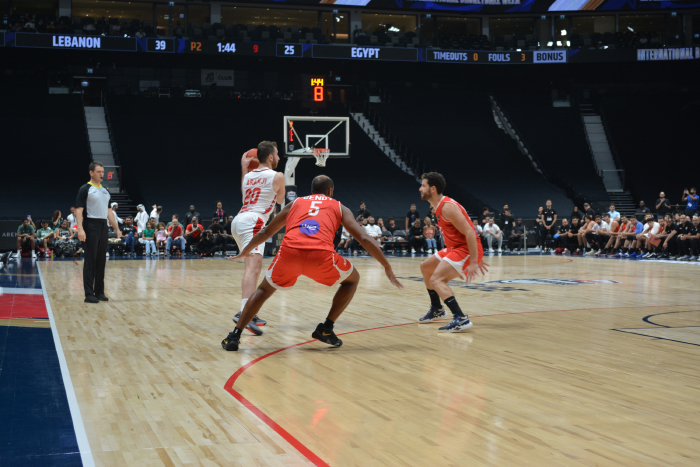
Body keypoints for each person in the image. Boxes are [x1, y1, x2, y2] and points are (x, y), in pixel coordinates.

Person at [221, 175, 402, 351]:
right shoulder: (340, 207)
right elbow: (363, 237)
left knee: (263, 290)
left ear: (311, 190)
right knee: (352, 279)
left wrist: (245, 251)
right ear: (330, 191)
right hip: (320, 256)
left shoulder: (295, 203)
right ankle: (326, 327)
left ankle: (235, 335)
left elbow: (266, 232)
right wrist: (386, 265)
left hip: (289, 254)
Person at [416, 173, 488, 332]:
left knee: (436, 279)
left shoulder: (447, 207)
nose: (420, 188)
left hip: (465, 249)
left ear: (433, 189)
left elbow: (470, 232)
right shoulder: (439, 206)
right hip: (455, 248)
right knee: (426, 267)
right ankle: (437, 309)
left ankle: (460, 318)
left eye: (423, 185)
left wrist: (474, 260)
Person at [228, 141, 286, 334]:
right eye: (277, 155)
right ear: (270, 157)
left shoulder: (249, 176)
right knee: (253, 269)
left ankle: (250, 312)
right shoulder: (278, 176)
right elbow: (279, 201)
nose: (278, 158)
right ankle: (244, 313)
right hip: (254, 221)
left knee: (251, 268)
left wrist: (244, 168)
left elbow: (246, 194)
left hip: (238, 220)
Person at [75, 162, 121, 303]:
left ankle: (99, 291)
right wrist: (81, 229)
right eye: (99, 171)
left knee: (101, 260)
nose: (102, 174)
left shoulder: (105, 191)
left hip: (103, 226)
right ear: (91, 172)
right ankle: (89, 293)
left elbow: (109, 212)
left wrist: (116, 228)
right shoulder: (85, 189)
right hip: (90, 225)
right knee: (90, 260)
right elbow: (78, 210)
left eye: (103, 171)